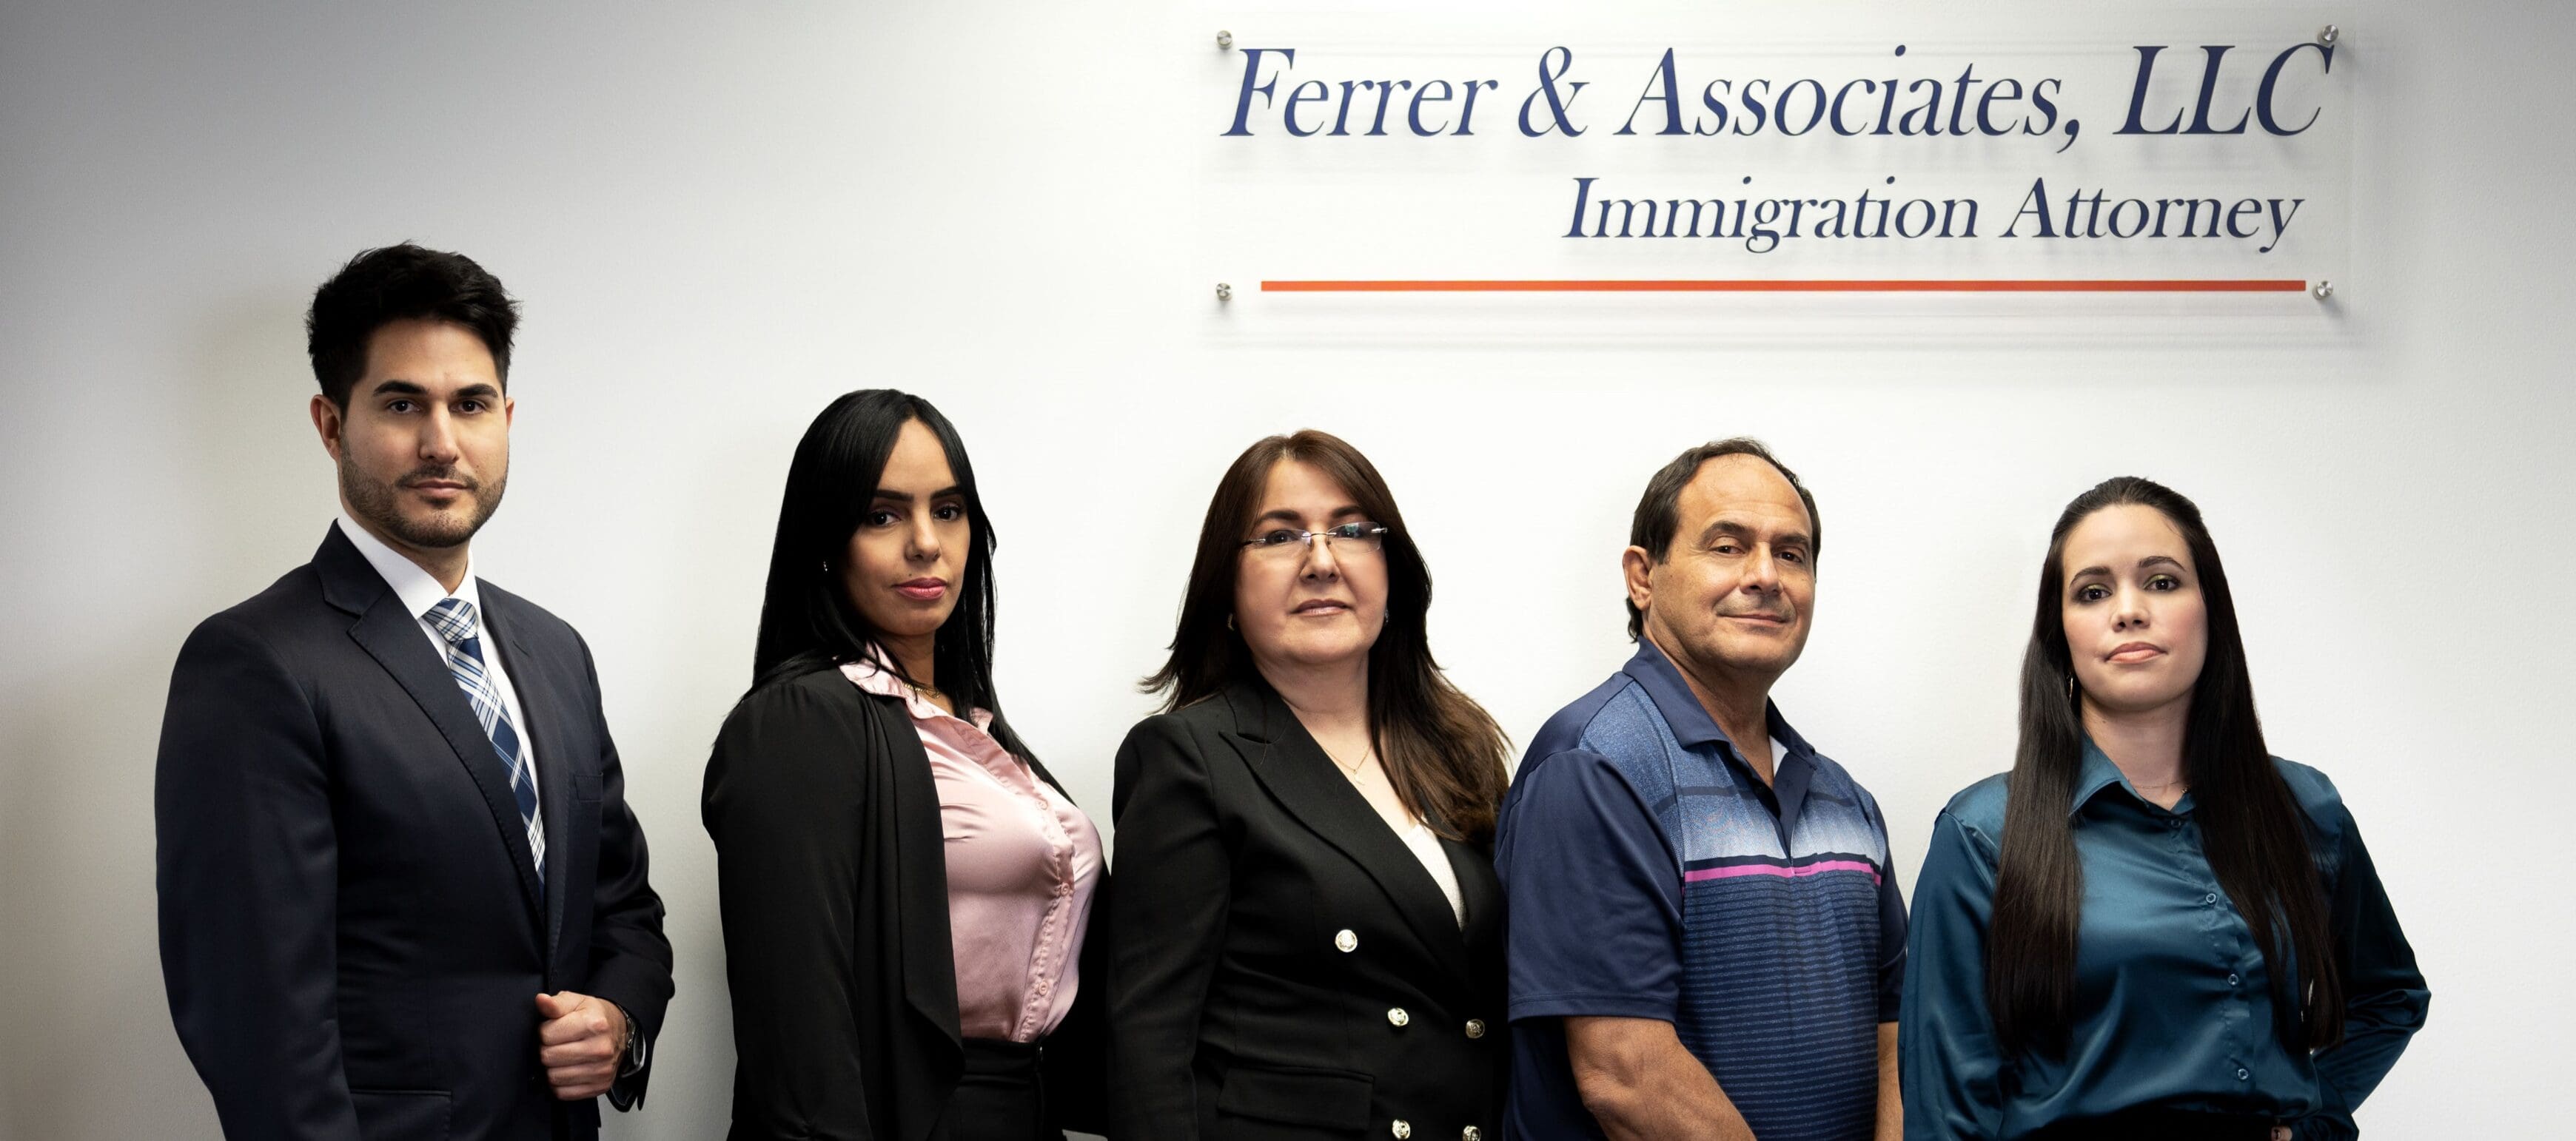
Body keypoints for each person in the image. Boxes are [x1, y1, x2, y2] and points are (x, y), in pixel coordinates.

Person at [155, 243, 674, 1140]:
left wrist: (620, 1023)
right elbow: (258, 1023)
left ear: (506, 418)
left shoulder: (554, 653)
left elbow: (623, 907)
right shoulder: (252, 664)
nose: (442, 441)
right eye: (402, 404)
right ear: (330, 424)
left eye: (470, 405)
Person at [1899, 477, 2429, 1140]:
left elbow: (2389, 998)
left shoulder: (2306, 810)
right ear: (2059, 634)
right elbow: (1947, 1112)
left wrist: (2315, 1118)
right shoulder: (1983, 836)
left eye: (2161, 581)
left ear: (2211, 608)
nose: (2128, 611)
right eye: (2093, 592)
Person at [702, 389, 1107, 1140]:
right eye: (882, 515)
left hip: (1024, 1112)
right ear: (827, 542)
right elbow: (800, 1042)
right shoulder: (802, 722)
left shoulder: (978, 725)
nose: (926, 543)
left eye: (948, 511)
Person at [1496, 438, 1905, 1141]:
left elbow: (1895, 1033)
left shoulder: (1848, 803)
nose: (1765, 576)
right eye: (1727, 546)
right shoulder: (1595, 768)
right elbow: (1628, 1077)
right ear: (1642, 577)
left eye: (1792, 553)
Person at [1109, 429, 1512, 1140]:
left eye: (1353, 531)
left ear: (1392, 574)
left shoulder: (1458, 748)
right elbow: (1148, 1042)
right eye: (1280, 536)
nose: (1322, 560)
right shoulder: (1188, 758)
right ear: (1225, 588)